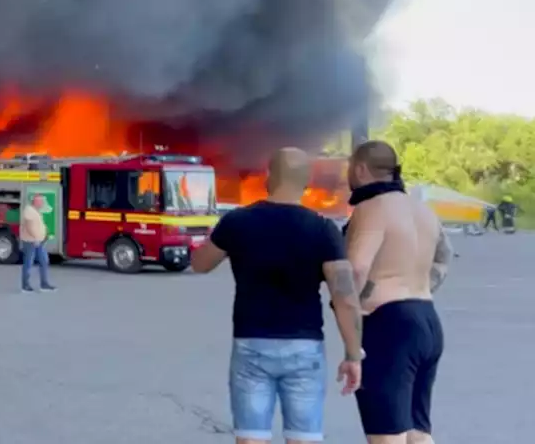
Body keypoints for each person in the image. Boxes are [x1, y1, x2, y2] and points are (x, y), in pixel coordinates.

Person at [191, 148, 364, 444]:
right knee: (304, 438)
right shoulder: (323, 229)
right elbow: (345, 297)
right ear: (306, 183)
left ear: (269, 177)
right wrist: (352, 354)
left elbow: (200, 264)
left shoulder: (237, 221)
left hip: (251, 344)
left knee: (251, 438)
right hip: (305, 346)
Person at [345, 140, 447, 444]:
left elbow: (356, 270)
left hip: (389, 326)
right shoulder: (423, 211)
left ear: (361, 169)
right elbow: (442, 260)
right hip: (427, 318)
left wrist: (354, 308)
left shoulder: (371, 208)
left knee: (387, 435)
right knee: (417, 432)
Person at [19, 193, 56, 293]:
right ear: (35, 201)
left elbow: (38, 224)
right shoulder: (29, 211)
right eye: (41, 201)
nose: (42, 203)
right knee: (28, 262)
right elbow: (29, 226)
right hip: (30, 241)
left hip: (38, 241)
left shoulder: (36, 211)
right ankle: (25, 286)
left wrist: (45, 232)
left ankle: (44, 284)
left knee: (44, 261)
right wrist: (35, 238)